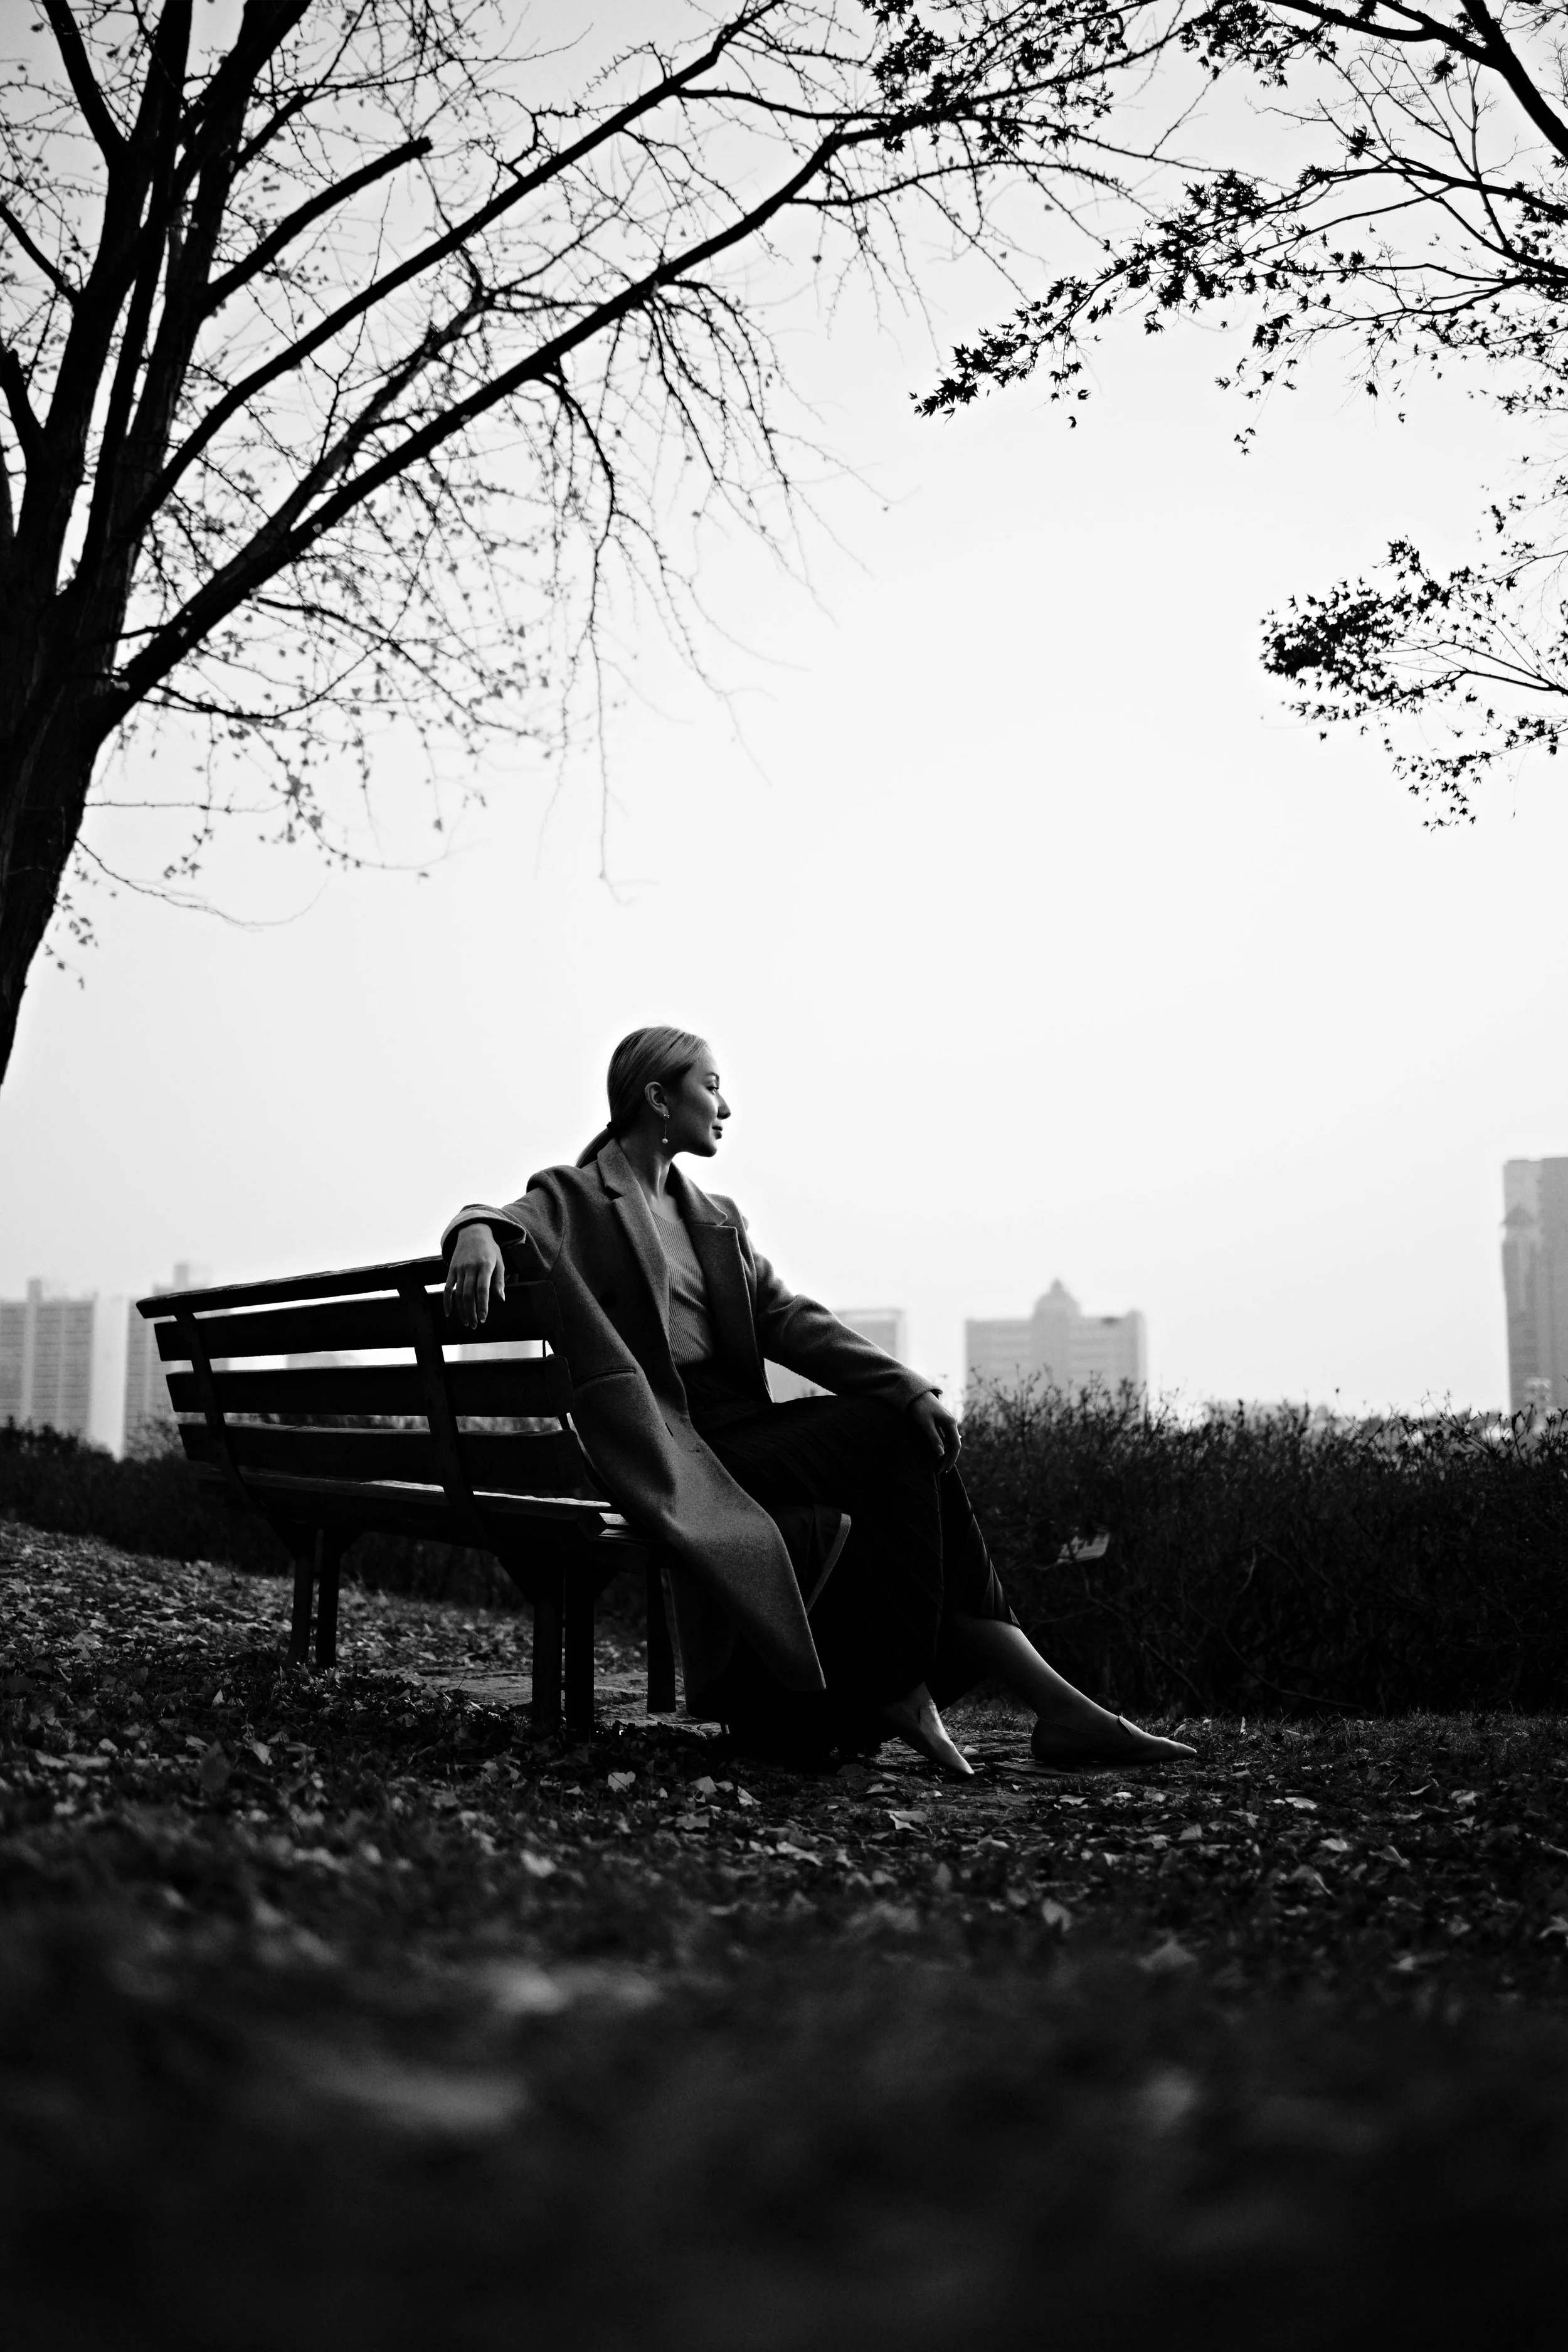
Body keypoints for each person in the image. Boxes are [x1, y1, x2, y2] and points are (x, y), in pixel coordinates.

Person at [443, 1025, 1193, 1778]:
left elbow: (787, 1319)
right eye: (710, 1086)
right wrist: (475, 1232)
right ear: (657, 1098)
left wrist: (904, 1387)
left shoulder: (715, 1216)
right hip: (669, 1441)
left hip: (741, 1433)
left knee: (910, 1440)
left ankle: (1044, 1707)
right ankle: (939, 1693)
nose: (725, 1105)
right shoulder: (581, 1195)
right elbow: (504, 1215)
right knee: (887, 1440)